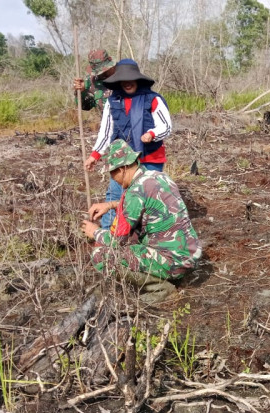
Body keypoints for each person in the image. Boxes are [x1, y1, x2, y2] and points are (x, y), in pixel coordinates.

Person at [81, 140, 201, 303]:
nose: (113, 178)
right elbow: (147, 205)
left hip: (173, 262)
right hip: (188, 256)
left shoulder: (135, 192)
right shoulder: (158, 177)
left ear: (122, 169)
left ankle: (161, 288)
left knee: (102, 255)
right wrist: (110, 205)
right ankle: (165, 276)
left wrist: (94, 232)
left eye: (112, 173)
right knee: (132, 239)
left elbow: (116, 240)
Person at [84, 59, 172, 229]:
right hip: (122, 162)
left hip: (150, 160)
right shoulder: (112, 102)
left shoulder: (153, 99)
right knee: (115, 196)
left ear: (137, 79)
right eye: (123, 80)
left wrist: (152, 134)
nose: (127, 83)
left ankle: (145, 235)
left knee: (147, 199)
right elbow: (106, 132)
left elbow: (166, 126)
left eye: (130, 79)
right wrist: (94, 155)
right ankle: (107, 238)